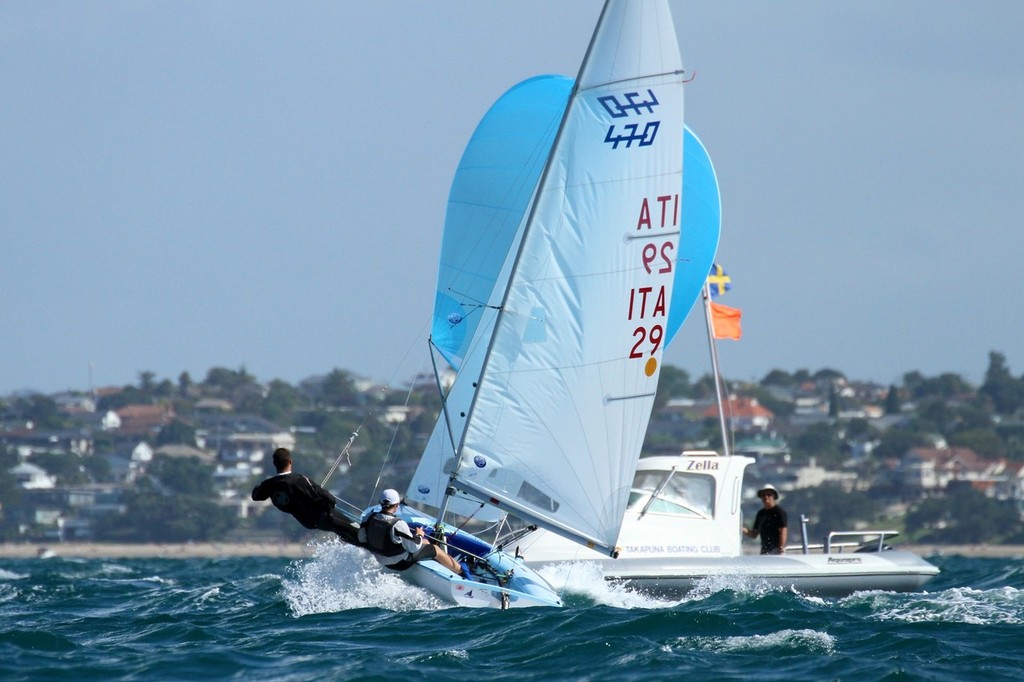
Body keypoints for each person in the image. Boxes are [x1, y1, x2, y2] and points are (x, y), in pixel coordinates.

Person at [251, 447, 359, 543]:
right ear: (290, 461)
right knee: (356, 529)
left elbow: (255, 496)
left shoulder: (269, 485)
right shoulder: (298, 480)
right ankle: (370, 547)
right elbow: (325, 495)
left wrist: (264, 484)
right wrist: (332, 503)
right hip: (325, 516)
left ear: (275, 464)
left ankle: (370, 550)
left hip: (308, 522)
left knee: (342, 532)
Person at [357, 488, 466, 576]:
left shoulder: (369, 517)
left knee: (426, 543)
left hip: (378, 558)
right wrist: (419, 534)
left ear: (381, 502)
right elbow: (413, 547)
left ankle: (439, 564)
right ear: (397, 505)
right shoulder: (398, 523)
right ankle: (462, 573)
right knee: (435, 549)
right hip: (398, 564)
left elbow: (362, 538)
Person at [742, 484, 788, 555]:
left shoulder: (779, 512)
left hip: (776, 551)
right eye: (763, 495)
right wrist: (740, 529)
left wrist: (781, 550)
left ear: (774, 497)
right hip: (765, 551)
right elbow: (754, 534)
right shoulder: (761, 513)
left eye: (769, 495)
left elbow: (783, 531)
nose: (766, 497)